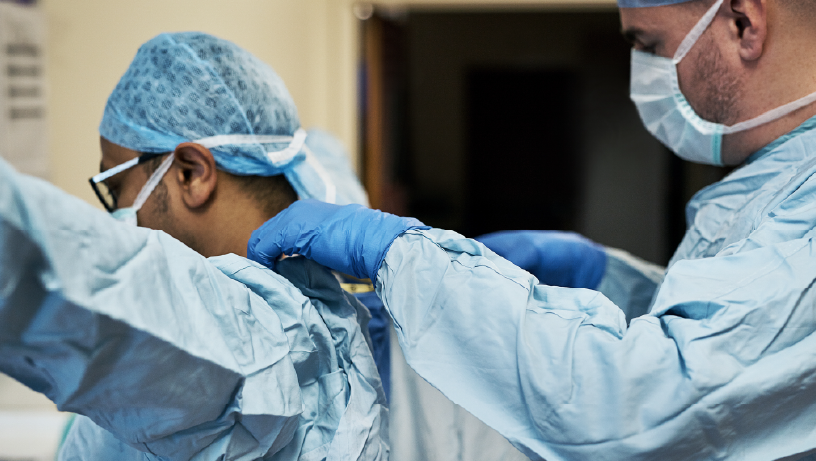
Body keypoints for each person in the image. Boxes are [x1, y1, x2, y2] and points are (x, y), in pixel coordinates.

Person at [247, 0, 816, 459]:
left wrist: (404, 256)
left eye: (649, 45)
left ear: (744, 22)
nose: (641, 76)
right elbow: (743, 335)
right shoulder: (781, 181)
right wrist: (616, 281)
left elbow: (648, 406)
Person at [0, 32, 388, 460]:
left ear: (191, 172)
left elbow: (44, 259)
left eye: (115, 187)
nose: (120, 212)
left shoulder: (242, 338)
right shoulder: (322, 273)